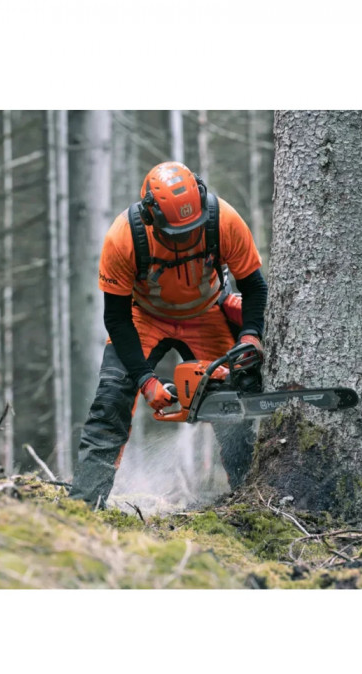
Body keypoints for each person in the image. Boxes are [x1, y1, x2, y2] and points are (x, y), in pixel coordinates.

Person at [69, 161, 268, 509]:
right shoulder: (123, 238)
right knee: (111, 400)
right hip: (145, 317)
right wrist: (146, 380)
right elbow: (116, 318)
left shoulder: (224, 221)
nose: (187, 239)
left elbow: (254, 287)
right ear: (151, 216)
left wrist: (250, 335)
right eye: (178, 234)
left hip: (206, 312)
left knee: (233, 405)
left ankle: (253, 504)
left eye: (193, 229)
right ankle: (84, 504)